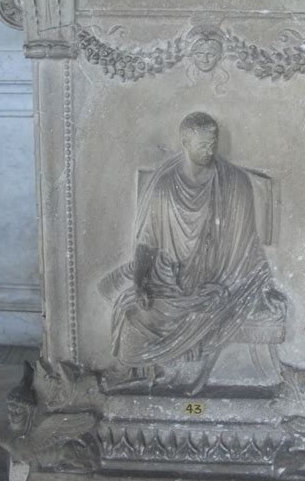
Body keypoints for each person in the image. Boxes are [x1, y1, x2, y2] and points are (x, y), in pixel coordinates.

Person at [99, 112, 286, 392]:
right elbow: (148, 242)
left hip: (215, 277)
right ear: (184, 143)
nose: (210, 149)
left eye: (213, 143)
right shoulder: (164, 189)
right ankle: (134, 369)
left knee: (147, 318)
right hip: (168, 276)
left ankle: (170, 368)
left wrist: (264, 285)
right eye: (202, 144)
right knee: (133, 312)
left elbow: (247, 245)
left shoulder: (234, 184)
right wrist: (140, 282)